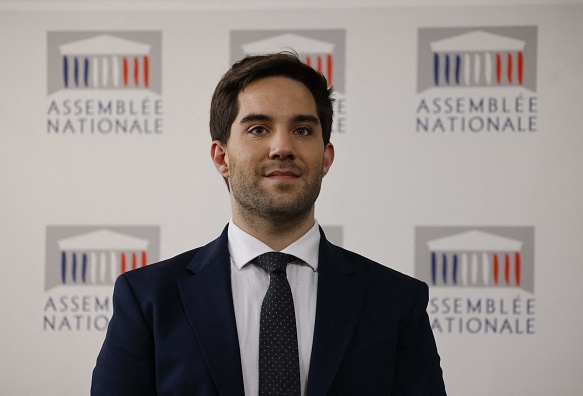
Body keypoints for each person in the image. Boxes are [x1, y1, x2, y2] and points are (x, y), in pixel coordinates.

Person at [91, 52, 446, 396]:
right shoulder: (148, 299)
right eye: (259, 129)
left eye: (303, 130)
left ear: (325, 158)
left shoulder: (397, 302)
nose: (282, 147)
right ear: (221, 157)